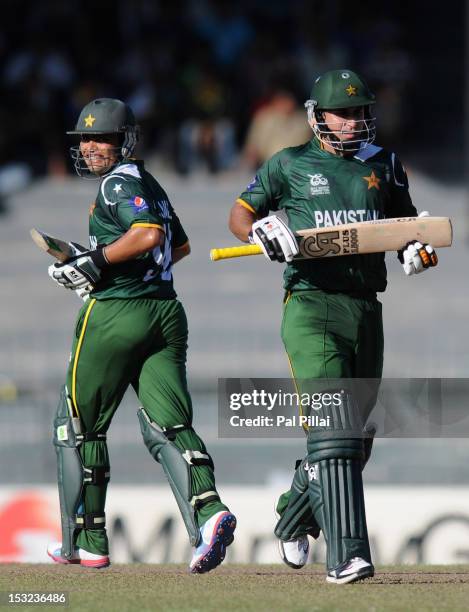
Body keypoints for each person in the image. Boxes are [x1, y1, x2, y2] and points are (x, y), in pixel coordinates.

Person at [228, 70, 437, 584]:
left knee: (354, 439)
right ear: (316, 116)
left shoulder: (385, 165)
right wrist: (262, 228)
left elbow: (407, 225)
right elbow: (239, 214)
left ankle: (295, 511)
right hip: (311, 306)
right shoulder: (290, 163)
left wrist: (415, 247)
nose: (354, 120)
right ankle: (346, 556)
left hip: (366, 309)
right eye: (343, 113)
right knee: (336, 430)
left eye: (360, 111)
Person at [46, 98, 236, 572]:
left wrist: (96, 264)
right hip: (166, 312)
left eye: (100, 139)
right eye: (84, 139)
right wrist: (91, 257)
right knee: (166, 424)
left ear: (124, 140)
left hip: (116, 315)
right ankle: (209, 515)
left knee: (74, 427)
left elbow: (149, 236)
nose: (89, 147)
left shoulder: (117, 183)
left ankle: (83, 540)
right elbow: (180, 246)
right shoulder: (149, 182)